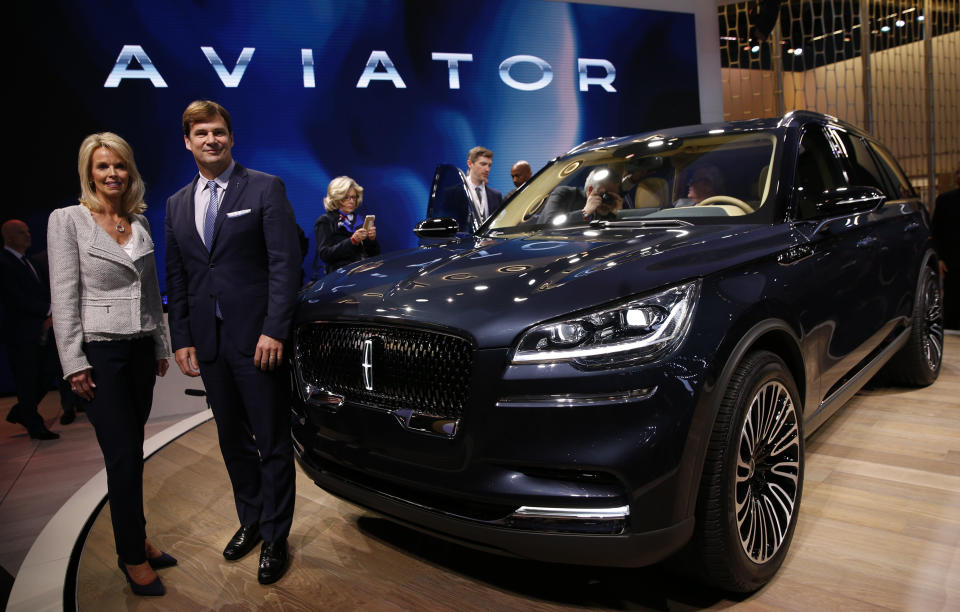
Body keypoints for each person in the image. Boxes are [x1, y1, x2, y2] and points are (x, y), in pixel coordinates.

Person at [165, 100, 301, 585]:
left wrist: (275, 328)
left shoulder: (265, 188)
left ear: (231, 137)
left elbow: (286, 265)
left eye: (218, 131)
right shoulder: (178, 204)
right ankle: (252, 520)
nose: (210, 140)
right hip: (210, 344)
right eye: (200, 133)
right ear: (188, 141)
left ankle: (277, 535)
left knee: (270, 441)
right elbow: (177, 276)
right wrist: (180, 335)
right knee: (230, 441)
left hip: (259, 340)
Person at [47, 133, 174, 596]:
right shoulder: (68, 220)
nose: (112, 174)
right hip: (99, 354)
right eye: (102, 166)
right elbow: (63, 296)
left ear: (130, 171)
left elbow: (149, 289)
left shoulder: (136, 223)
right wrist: (73, 362)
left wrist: (161, 344)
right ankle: (131, 556)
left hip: (140, 349)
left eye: (119, 165)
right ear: (89, 172)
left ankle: (137, 534)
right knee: (121, 456)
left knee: (132, 450)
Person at [1, 220, 59, 439]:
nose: (28, 236)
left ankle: (22, 411)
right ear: (8, 236)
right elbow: (15, 298)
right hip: (20, 334)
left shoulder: (29, 262)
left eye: (27, 231)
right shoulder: (5, 263)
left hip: (40, 330)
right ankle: (34, 424)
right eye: (21, 233)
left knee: (47, 371)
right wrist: (50, 309)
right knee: (26, 379)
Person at [312, 176, 380, 279]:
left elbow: (374, 254)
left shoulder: (360, 219)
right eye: (346, 197)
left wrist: (371, 240)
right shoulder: (325, 221)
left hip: (365, 273)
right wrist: (352, 241)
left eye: (354, 197)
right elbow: (325, 254)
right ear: (336, 198)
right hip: (340, 277)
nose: (352, 201)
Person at [538, 166, 624, 224]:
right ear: (590, 191)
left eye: (611, 196)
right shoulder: (565, 194)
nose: (606, 201)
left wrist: (620, 215)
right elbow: (548, 223)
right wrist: (584, 213)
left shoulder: (616, 206)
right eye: (604, 195)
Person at [932, 160, 960, 330]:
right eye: (957, 172)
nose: (959, 175)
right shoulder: (945, 200)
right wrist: (940, 258)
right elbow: (936, 231)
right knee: (953, 302)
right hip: (952, 262)